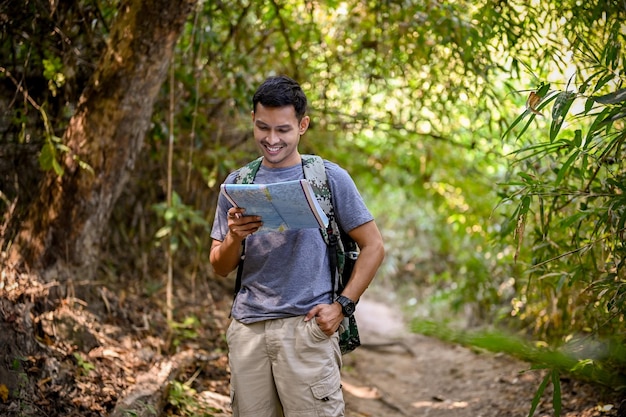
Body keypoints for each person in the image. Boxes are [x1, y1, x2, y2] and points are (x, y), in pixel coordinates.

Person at [209, 75, 385, 417]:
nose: (271, 139)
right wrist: (234, 236)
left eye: (283, 130)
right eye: (263, 128)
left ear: (302, 125)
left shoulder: (329, 178)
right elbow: (219, 265)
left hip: (306, 329)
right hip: (248, 330)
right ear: (253, 120)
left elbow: (374, 246)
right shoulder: (237, 183)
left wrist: (343, 305)